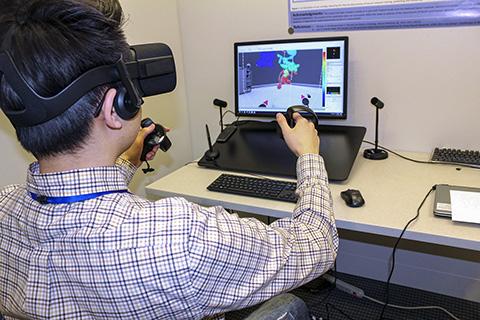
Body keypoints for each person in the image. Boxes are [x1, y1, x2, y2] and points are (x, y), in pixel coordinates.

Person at [0, 0, 338, 319]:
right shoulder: (181, 238)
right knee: (290, 305)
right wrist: (308, 154)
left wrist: (128, 163)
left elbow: (79, 204)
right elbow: (317, 243)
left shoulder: (4, 208)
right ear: (115, 107)